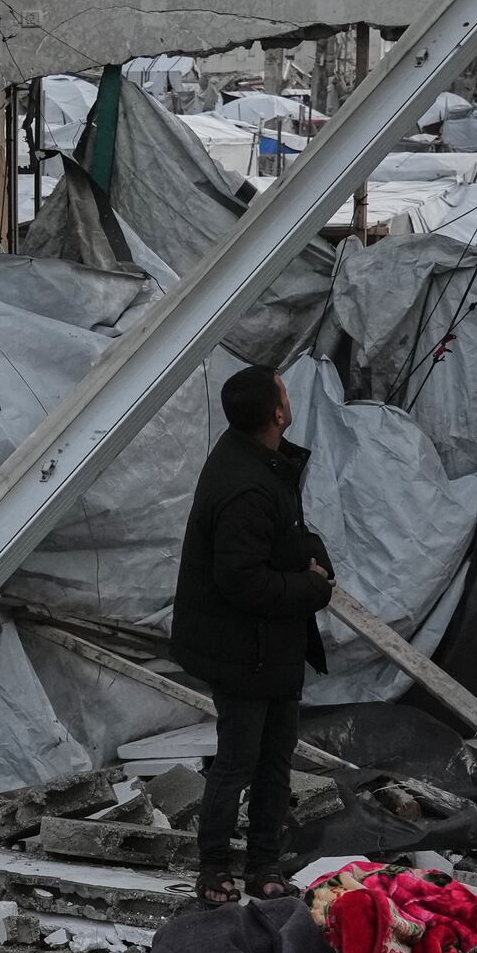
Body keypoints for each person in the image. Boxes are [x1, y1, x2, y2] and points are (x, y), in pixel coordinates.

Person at [168, 364, 336, 908]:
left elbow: (283, 539)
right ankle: (215, 868)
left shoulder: (261, 464)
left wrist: (310, 556)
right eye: (285, 393)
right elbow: (241, 581)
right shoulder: (246, 484)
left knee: (274, 758)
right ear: (278, 414)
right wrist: (310, 588)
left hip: (270, 647)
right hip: (246, 651)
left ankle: (265, 864)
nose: (289, 399)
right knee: (240, 760)